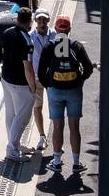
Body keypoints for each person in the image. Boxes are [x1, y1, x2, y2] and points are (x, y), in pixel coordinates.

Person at [39, 15, 96, 173]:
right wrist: (80, 80)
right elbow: (89, 68)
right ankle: (76, 163)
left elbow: (41, 71)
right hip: (74, 91)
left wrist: (48, 86)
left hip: (55, 90)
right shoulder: (76, 46)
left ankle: (56, 162)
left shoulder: (49, 46)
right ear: (69, 29)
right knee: (74, 127)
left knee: (57, 126)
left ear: (55, 29)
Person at [0, 7, 38, 164]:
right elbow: (27, 66)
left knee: (10, 114)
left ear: (17, 19)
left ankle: (13, 144)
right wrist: (33, 85)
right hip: (20, 83)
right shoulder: (26, 39)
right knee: (22, 117)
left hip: (6, 79)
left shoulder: (7, 32)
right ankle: (12, 149)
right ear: (30, 21)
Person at [28, 11, 55, 153]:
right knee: (37, 107)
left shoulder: (55, 34)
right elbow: (28, 59)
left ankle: (57, 139)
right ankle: (42, 136)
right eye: (39, 21)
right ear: (35, 21)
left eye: (44, 21)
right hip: (37, 78)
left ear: (48, 21)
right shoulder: (31, 37)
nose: (42, 24)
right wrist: (30, 79)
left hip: (52, 79)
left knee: (55, 108)